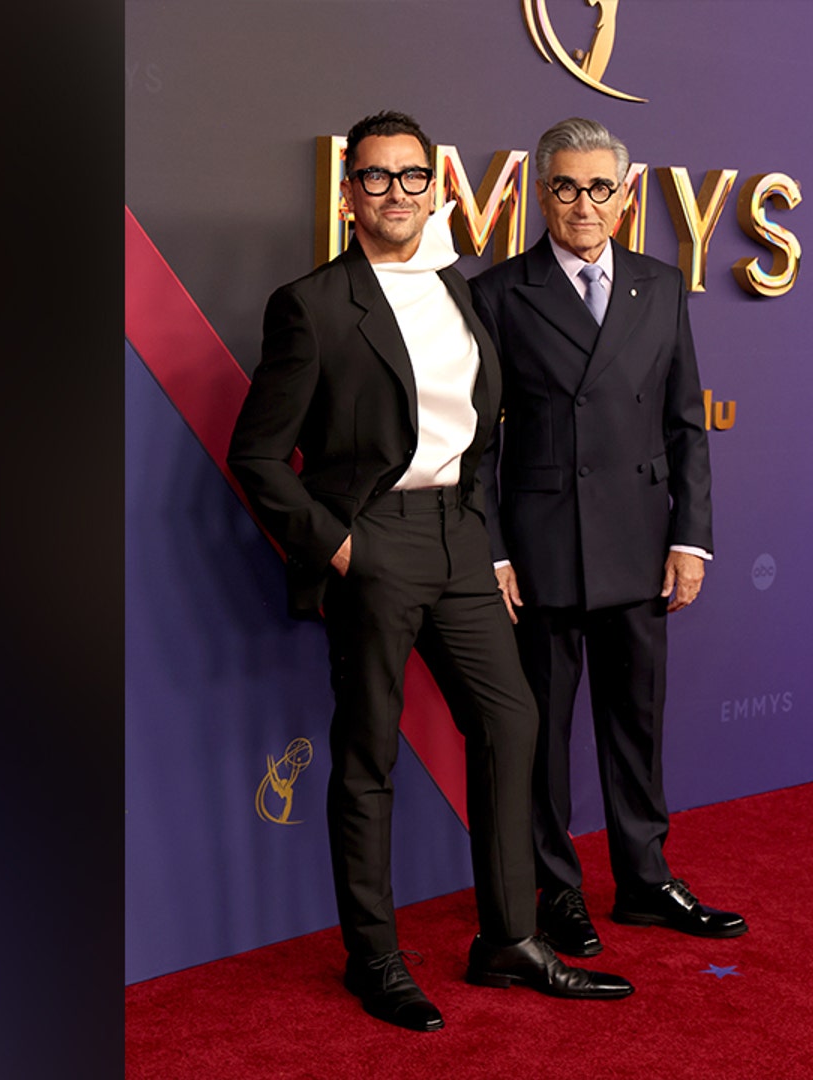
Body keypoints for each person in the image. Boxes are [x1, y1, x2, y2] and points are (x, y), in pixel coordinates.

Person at [227, 111, 632, 1033]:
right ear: (349, 193)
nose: (397, 194)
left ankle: (509, 942)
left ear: (436, 188)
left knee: (512, 719)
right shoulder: (315, 304)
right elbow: (255, 455)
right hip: (373, 542)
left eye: (413, 178)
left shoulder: (461, 290)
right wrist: (337, 543)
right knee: (368, 757)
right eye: (376, 178)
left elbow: (482, 420)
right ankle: (374, 959)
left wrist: (481, 532)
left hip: (458, 538)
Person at [470, 117, 748, 960]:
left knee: (637, 724)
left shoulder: (662, 286)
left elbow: (686, 425)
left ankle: (644, 879)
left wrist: (690, 538)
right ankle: (555, 890)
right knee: (542, 737)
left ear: (624, 198)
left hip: (639, 540)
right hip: (542, 547)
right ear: (537, 192)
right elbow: (478, 440)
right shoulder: (497, 292)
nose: (582, 204)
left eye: (599, 188)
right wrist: (494, 550)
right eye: (565, 186)